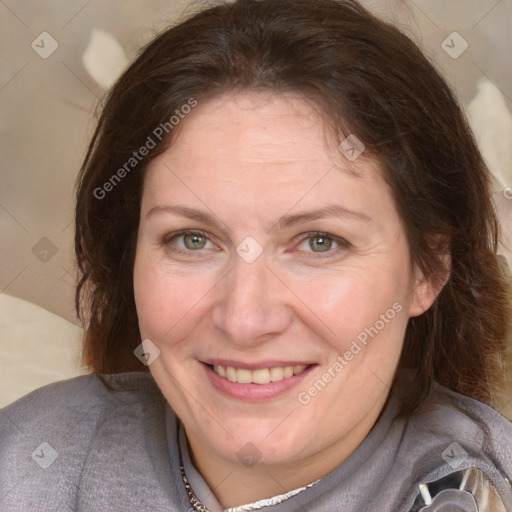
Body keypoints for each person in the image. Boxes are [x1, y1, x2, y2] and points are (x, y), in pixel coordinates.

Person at [1, 0, 512, 510]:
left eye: (319, 242)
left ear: (428, 268)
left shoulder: (482, 489)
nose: (244, 319)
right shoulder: (27, 457)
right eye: (192, 239)